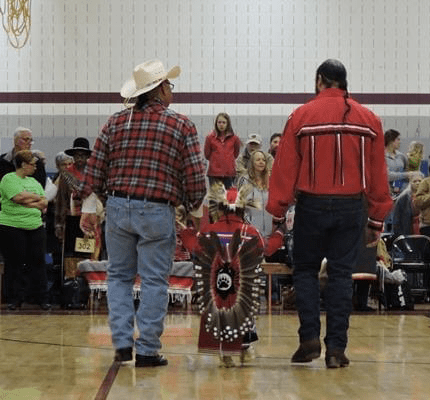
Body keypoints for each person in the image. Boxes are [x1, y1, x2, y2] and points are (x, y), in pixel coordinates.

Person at [76, 59, 206, 368]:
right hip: (158, 211)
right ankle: (147, 349)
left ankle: (122, 344)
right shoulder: (182, 124)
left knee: (119, 277)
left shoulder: (115, 122)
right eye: (169, 86)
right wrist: (194, 210)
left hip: (118, 208)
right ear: (161, 89)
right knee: (153, 282)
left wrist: (89, 209)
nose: (171, 90)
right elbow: (195, 178)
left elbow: (93, 174)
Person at [266, 59, 392, 368]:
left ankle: (309, 339)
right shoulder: (369, 119)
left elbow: (284, 168)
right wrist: (376, 219)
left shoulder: (301, 116)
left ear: (320, 80)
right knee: (340, 274)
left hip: (311, 204)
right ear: (344, 83)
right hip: (352, 207)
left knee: (306, 270)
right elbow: (378, 173)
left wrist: (278, 211)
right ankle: (336, 348)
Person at [180, 183, 283, 367]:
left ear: (220, 208)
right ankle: (243, 348)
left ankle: (224, 352)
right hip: (242, 289)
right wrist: (281, 233)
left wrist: (185, 232)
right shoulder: (250, 232)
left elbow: (194, 246)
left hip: (216, 288)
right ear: (243, 209)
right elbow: (267, 249)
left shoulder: (209, 230)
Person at [0, 150, 50, 310]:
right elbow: (16, 197)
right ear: (23, 164)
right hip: (12, 226)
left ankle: (41, 298)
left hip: (35, 226)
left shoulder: (35, 182)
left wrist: (28, 200)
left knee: (38, 263)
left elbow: (44, 203)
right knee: (15, 263)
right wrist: (33, 199)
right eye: (32, 164)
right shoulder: (8, 179)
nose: (35, 167)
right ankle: (14, 299)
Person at [55, 138, 103, 278]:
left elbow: (103, 195)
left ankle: (88, 294)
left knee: (90, 257)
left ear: (88, 156)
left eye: (83, 155)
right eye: (77, 155)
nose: (79, 158)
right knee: (71, 257)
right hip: (72, 221)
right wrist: (59, 225)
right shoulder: (66, 175)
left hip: (92, 222)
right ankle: (72, 292)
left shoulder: (95, 174)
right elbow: (61, 201)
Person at [204, 112, 241, 189]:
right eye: (219, 122)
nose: (221, 124)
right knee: (215, 198)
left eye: (224, 122)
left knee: (228, 198)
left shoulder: (234, 138)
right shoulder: (210, 138)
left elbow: (236, 154)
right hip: (214, 174)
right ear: (216, 123)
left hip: (229, 174)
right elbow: (207, 154)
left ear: (228, 124)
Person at [392, 171, 423, 237]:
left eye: (420, 181)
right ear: (410, 183)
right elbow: (396, 220)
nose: (417, 183)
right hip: (407, 231)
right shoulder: (403, 198)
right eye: (414, 181)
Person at [413, 172, 430, 237]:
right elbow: (418, 202)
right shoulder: (425, 182)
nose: (417, 183)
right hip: (427, 224)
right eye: (415, 181)